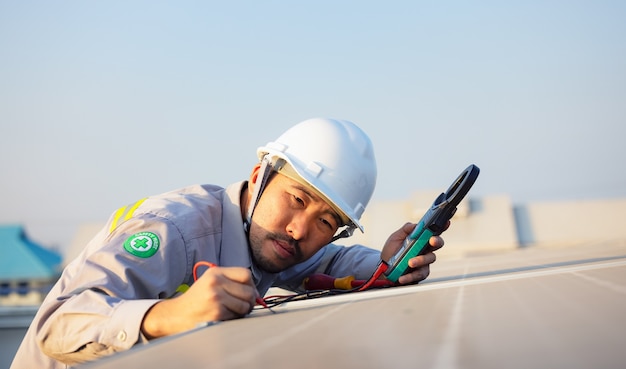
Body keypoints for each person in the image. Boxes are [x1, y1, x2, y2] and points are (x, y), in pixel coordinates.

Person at [10, 118, 445, 369]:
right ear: (259, 177)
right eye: (296, 199)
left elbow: (331, 261)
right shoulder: (174, 229)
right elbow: (58, 324)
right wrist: (171, 314)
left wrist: (387, 265)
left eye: (326, 221)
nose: (299, 230)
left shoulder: (273, 244)